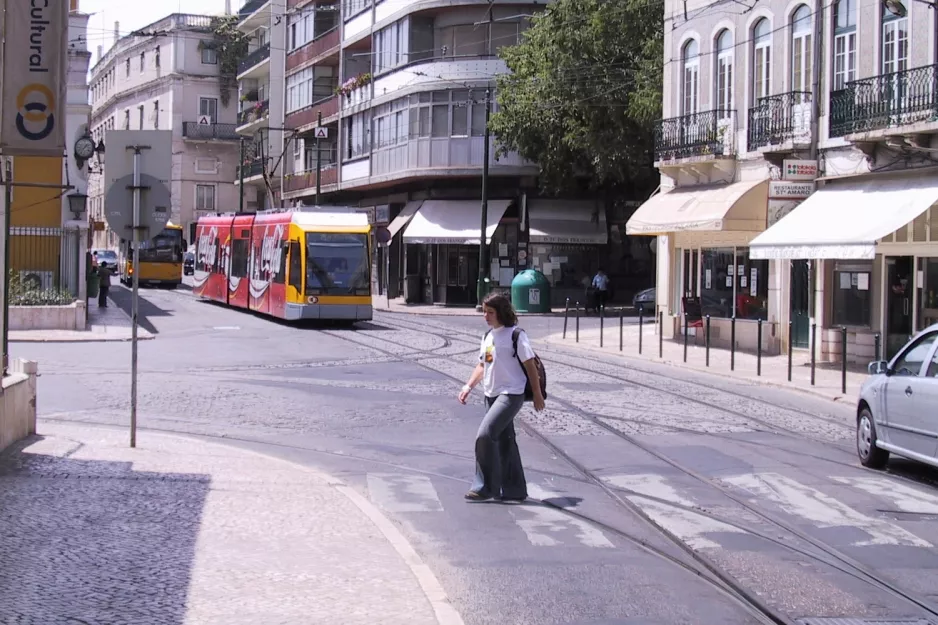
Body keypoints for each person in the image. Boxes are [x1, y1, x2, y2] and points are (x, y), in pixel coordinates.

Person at [458, 292, 546, 502]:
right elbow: (483, 365)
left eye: (490, 312)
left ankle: (485, 487)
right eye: (484, 312)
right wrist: (468, 386)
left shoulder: (516, 335)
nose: (486, 316)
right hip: (491, 393)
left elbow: (530, 365)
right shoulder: (488, 337)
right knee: (506, 442)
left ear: (501, 312)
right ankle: (515, 490)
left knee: (485, 435)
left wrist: (537, 394)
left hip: (511, 393)